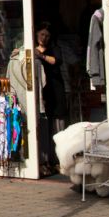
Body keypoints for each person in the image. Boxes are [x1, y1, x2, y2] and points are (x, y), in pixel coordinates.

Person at [35, 22, 63, 174]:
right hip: (40, 91)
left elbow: (57, 61)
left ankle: (57, 160)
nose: (44, 38)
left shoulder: (54, 49)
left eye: (47, 35)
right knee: (43, 124)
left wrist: (42, 56)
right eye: (41, 34)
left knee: (56, 124)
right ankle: (42, 160)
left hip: (54, 90)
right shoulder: (30, 50)